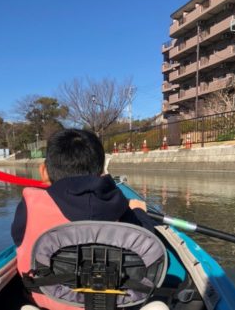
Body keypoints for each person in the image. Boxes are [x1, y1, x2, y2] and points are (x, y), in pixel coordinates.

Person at [11, 128, 157, 310]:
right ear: (102, 172)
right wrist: (139, 213)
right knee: (157, 305)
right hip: (115, 305)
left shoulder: (28, 206)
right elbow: (147, 246)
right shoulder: (121, 206)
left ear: (44, 171)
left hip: (46, 304)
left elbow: (20, 242)